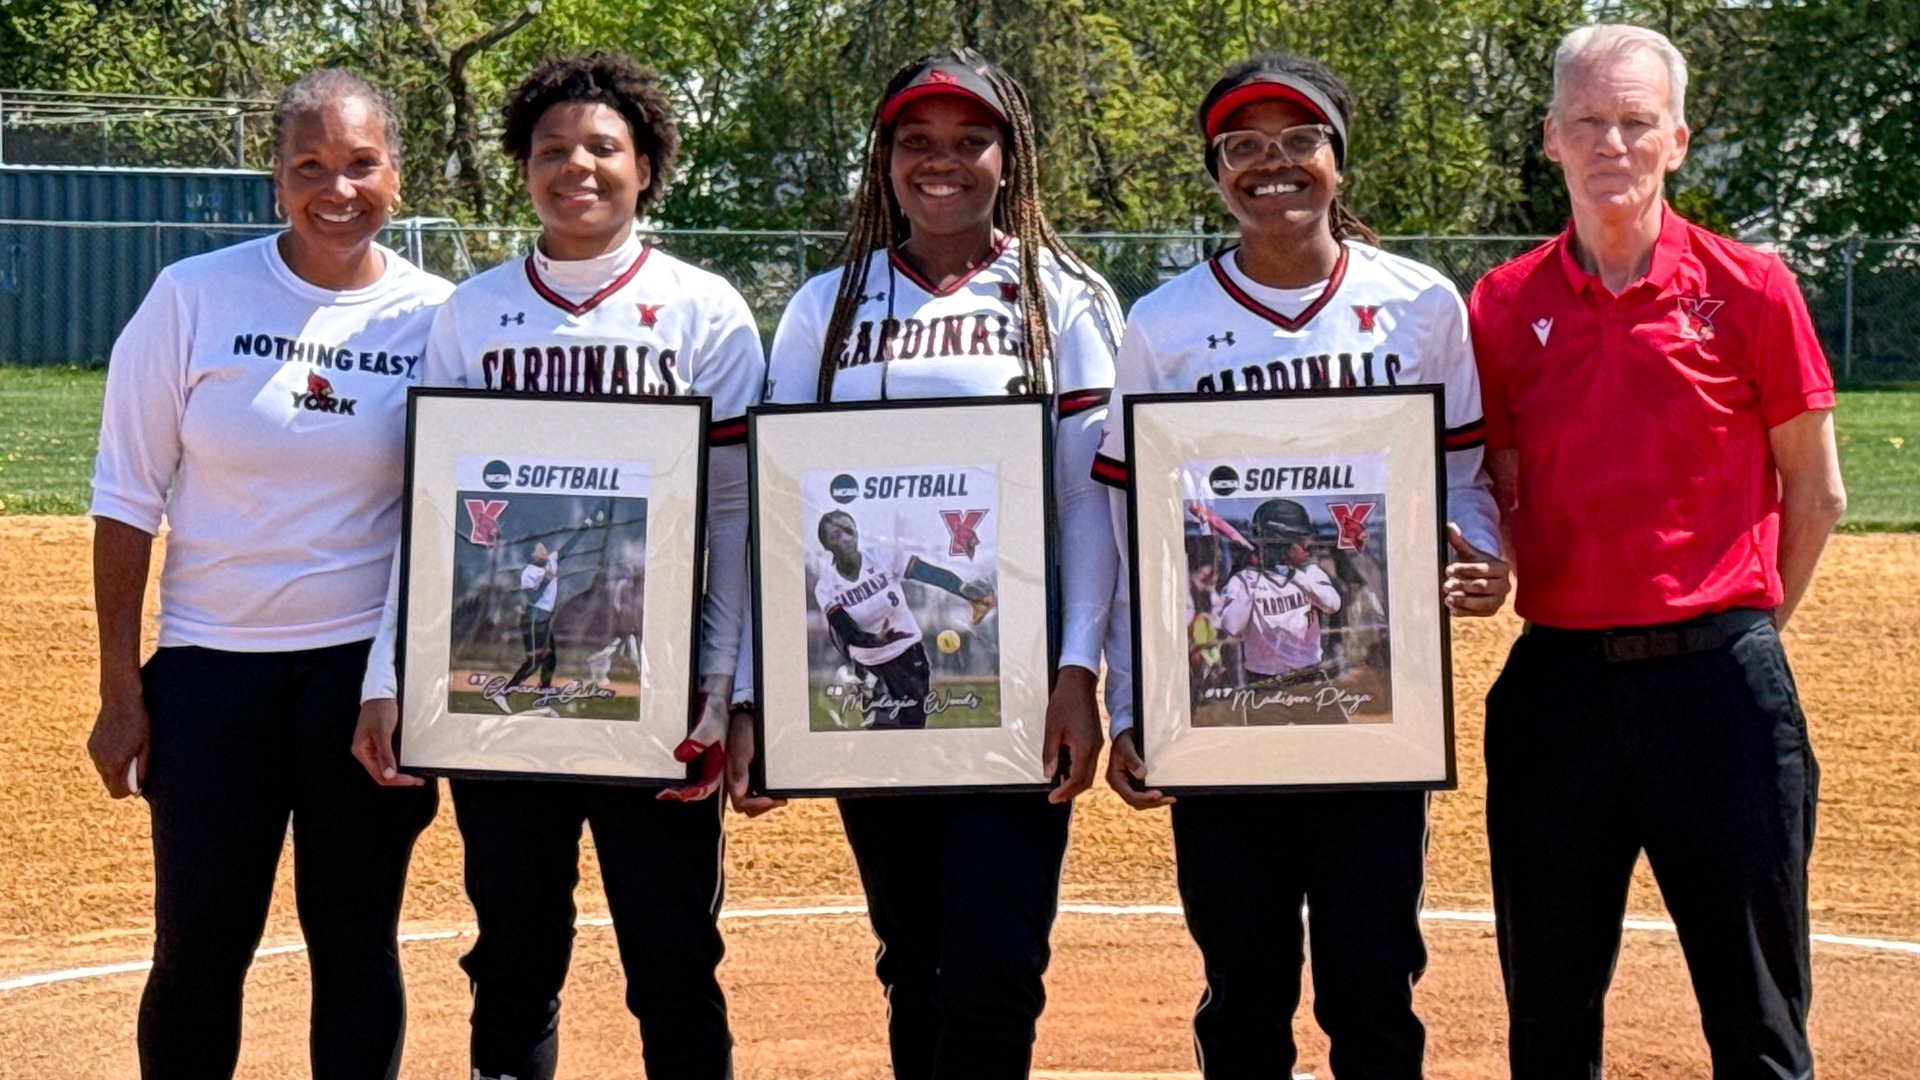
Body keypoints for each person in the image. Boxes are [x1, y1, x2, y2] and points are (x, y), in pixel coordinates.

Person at [1090, 53, 1510, 1078]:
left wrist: (1483, 558)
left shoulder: (1419, 306)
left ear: (1337, 155)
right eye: (1242, 146)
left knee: (1373, 981)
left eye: (1296, 140)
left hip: (1372, 705)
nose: (1270, 165)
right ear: (1215, 169)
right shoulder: (1166, 323)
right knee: (1243, 987)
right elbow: (1128, 525)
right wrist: (1137, 705)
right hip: (1223, 719)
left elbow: (1464, 480)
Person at [350, 52, 763, 1080]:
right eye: (550, 150)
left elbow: (732, 520)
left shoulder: (705, 311)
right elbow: (432, 508)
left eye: (602, 147)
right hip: (502, 712)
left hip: (652, 692)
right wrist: (389, 676)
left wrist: (720, 689)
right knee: (514, 950)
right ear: (522, 168)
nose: (575, 166)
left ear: (647, 164)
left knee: (671, 952)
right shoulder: (473, 312)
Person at [731, 48, 1123, 1078]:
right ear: (884, 159)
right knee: (914, 959)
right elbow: (780, 509)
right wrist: (758, 693)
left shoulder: (1064, 298)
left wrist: (1081, 670)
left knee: (997, 969)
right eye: (916, 141)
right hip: (869, 697)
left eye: (969, 139)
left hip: (1020, 683)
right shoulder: (826, 307)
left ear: (1012, 156)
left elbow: (1091, 501)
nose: (940, 161)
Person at [1467, 24, 1844, 1077]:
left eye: (1636, 121)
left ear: (1677, 138)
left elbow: (1816, 493)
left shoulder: (1752, 286)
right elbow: (1490, 480)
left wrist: (1747, 635)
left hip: (1719, 689)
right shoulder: (1501, 306)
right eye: (1588, 120)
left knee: (1760, 1022)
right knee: (1547, 1021)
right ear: (1550, 136)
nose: (1612, 143)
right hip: (1556, 692)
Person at [85, 69, 448, 1079]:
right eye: (311, 167)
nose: (338, 188)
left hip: (360, 686)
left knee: (355, 945)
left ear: (397, 174)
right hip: (211, 673)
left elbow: (455, 515)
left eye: (361, 164)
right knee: (199, 947)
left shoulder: (439, 319)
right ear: (276, 180)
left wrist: (396, 684)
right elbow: (125, 500)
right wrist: (123, 694)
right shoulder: (194, 296)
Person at [812, 508, 995, 729]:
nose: (844, 538)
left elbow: (927, 573)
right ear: (826, 546)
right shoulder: (826, 587)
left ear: (856, 533)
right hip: (870, 668)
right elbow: (846, 632)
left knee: (912, 730)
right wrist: (876, 641)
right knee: (880, 732)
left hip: (909, 659)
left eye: (847, 530)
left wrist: (965, 591)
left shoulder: (882, 557)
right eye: (835, 535)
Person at [504, 541, 559, 690]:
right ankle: (505, 691)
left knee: (550, 657)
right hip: (534, 616)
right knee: (535, 661)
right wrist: (545, 581)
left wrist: (591, 520)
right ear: (532, 555)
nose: (544, 550)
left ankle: (544, 691)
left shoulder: (551, 561)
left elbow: (572, 543)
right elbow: (533, 598)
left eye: (544, 547)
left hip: (544, 617)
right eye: (539, 549)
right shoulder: (529, 572)